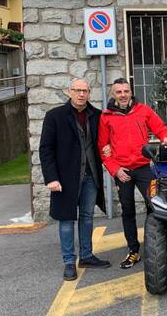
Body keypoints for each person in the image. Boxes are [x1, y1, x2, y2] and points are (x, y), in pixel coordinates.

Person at [39, 78, 111, 281]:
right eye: (77, 90)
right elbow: (46, 149)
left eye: (85, 91)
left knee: (87, 216)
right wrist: (51, 178)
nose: (81, 94)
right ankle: (69, 261)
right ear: (68, 91)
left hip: (90, 175)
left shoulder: (96, 115)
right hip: (64, 178)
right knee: (66, 219)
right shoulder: (55, 116)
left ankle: (86, 256)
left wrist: (108, 148)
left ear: (89, 93)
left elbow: (103, 141)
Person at [98, 78, 167, 269]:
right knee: (128, 211)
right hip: (122, 171)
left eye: (126, 91)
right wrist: (115, 169)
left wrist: (166, 138)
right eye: (119, 92)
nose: (123, 95)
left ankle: (156, 243)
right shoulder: (106, 116)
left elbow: (160, 128)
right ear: (113, 94)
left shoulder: (143, 110)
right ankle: (133, 251)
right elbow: (104, 146)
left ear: (130, 92)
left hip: (142, 167)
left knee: (155, 205)